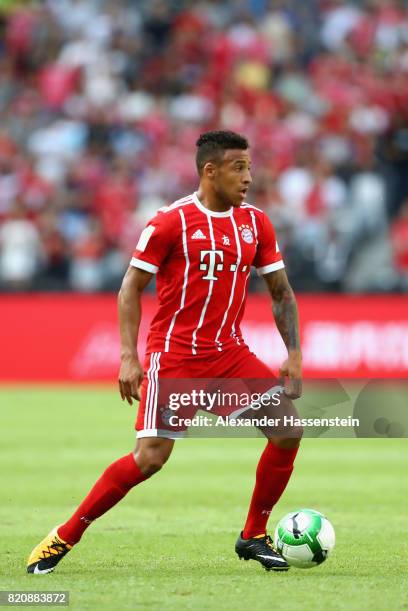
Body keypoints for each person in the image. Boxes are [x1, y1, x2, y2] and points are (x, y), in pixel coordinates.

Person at [27, 130, 303, 574]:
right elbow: (130, 288)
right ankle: (64, 535)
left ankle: (253, 534)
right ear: (209, 171)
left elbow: (281, 291)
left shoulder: (256, 223)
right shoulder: (169, 222)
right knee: (150, 458)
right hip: (176, 359)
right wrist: (128, 356)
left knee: (287, 429)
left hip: (229, 354)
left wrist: (292, 351)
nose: (249, 177)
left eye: (250, 167)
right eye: (239, 167)